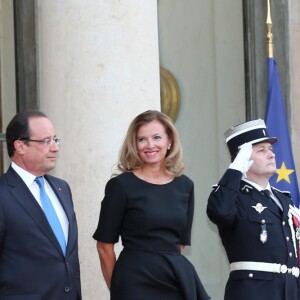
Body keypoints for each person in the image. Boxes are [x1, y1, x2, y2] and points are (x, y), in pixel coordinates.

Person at [93, 110, 210, 300]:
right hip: (134, 282)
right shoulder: (121, 186)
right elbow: (104, 246)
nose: (150, 145)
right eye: (142, 140)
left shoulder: (185, 185)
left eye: (157, 137)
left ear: (169, 140)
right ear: (135, 145)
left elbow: (179, 243)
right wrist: (118, 289)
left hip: (175, 280)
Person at [207, 119, 300, 300]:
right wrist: (236, 168)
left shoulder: (284, 200)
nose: (271, 155)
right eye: (261, 150)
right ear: (243, 157)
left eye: (271, 149)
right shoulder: (233, 197)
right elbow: (219, 211)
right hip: (253, 291)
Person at [0, 110, 82, 299]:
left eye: (55, 140)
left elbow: (67, 259)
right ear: (20, 146)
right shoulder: (3, 194)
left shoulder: (62, 188)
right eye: (46, 141)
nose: (55, 148)